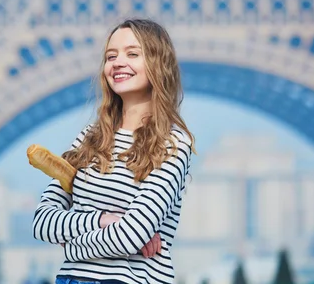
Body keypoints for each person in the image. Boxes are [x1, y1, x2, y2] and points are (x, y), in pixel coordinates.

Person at [32, 18, 196, 284]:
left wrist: (71, 247)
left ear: (158, 64)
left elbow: (131, 234)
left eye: (132, 53)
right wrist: (103, 220)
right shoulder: (88, 139)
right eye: (111, 56)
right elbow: (42, 222)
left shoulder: (171, 144)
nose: (118, 62)